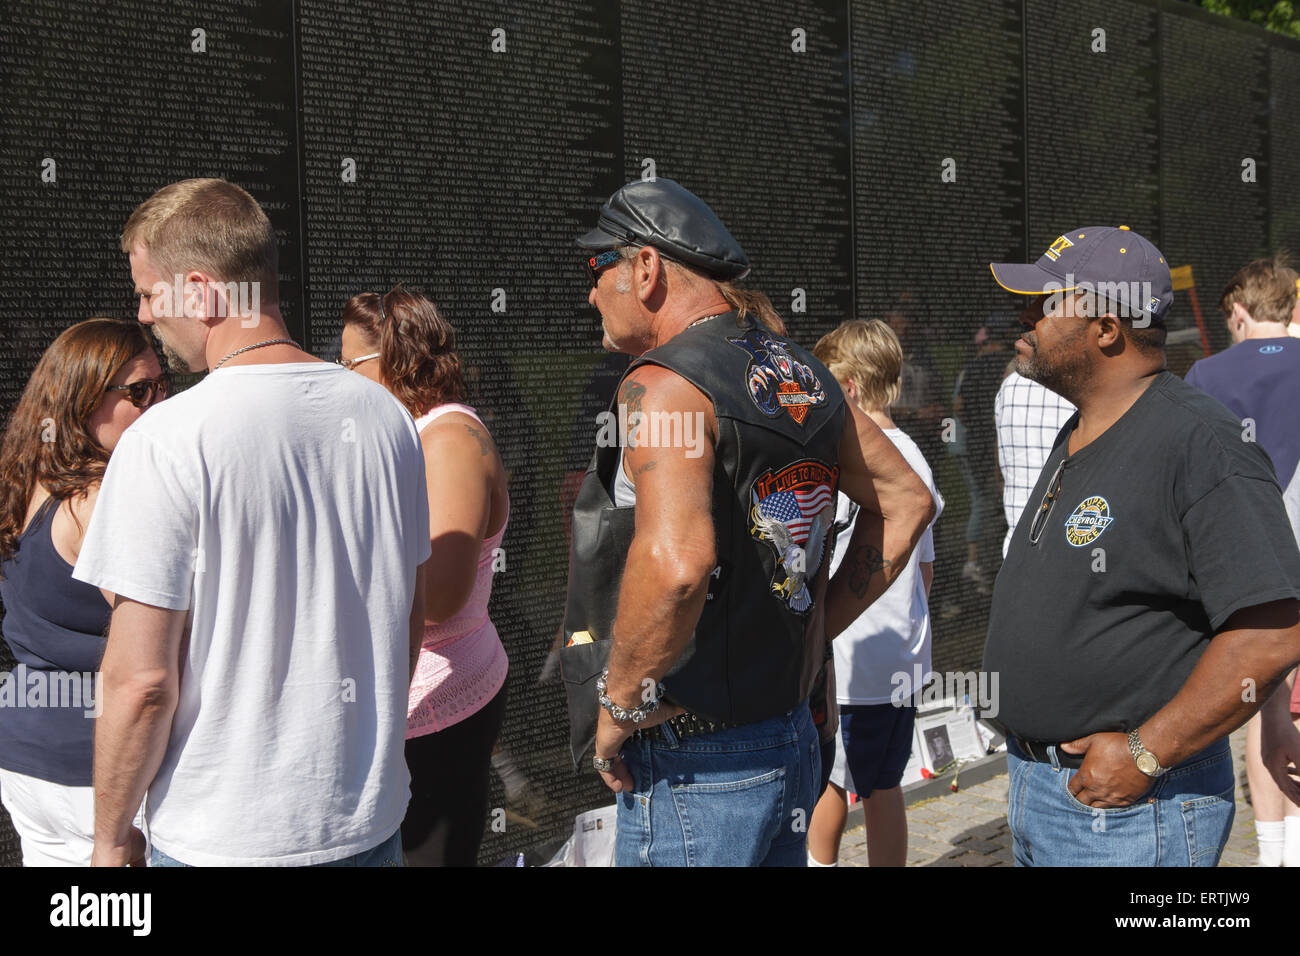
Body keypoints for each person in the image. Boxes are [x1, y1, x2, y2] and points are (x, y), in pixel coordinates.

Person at [560, 177, 935, 867]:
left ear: (645, 268)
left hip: (696, 758)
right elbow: (907, 500)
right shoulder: (803, 371)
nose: (591, 291)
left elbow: (677, 567)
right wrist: (813, 622)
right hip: (790, 731)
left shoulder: (664, 383)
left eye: (598, 266)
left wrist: (618, 708)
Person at [73, 178, 431, 866]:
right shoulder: (386, 418)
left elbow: (141, 681)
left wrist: (111, 839)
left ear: (203, 293)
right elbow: (407, 615)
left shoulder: (164, 440)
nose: (144, 316)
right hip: (369, 823)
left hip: (222, 838)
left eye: (150, 293)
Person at [983, 224, 1300, 866]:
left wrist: (1144, 752)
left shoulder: (1201, 443)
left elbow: (1273, 631)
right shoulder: (1080, 428)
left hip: (1129, 811)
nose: (1023, 316)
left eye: (1044, 303)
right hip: (1045, 791)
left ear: (1106, 328)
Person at [340, 286, 509, 867]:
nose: (343, 379)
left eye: (350, 365)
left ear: (392, 359)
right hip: (411, 692)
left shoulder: (449, 441)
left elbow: (439, 596)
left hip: (441, 698)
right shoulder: (412, 434)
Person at [0, 319, 164, 865]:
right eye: (139, 391)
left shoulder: (27, 479)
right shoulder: (104, 499)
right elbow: (150, 663)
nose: (157, 402)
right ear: (83, 399)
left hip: (27, 761)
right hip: (102, 776)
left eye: (163, 386)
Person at [805, 320, 944, 867]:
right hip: (902, 660)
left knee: (831, 783)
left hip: (850, 664)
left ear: (852, 389)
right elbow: (925, 569)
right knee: (884, 784)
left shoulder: (847, 464)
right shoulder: (916, 458)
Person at [1182, 255, 1300, 866]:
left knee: (1266, 704)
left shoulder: (1205, 372)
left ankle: (1275, 852)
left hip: (1253, 562)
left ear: (1237, 312)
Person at [993, 299, 1075, 556]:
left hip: (1016, 550)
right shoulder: (1078, 387)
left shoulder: (1010, 386)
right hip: (1066, 553)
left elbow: (1000, 470)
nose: (1025, 321)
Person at [952, 317, 1016, 591]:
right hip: (1001, 444)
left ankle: (983, 567)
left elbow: (959, 406)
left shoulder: (975, 366)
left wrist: (976, 427)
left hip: (978, 443)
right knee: (998, 506)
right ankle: (988, 566)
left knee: (984, 502)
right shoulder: (1012, 366)